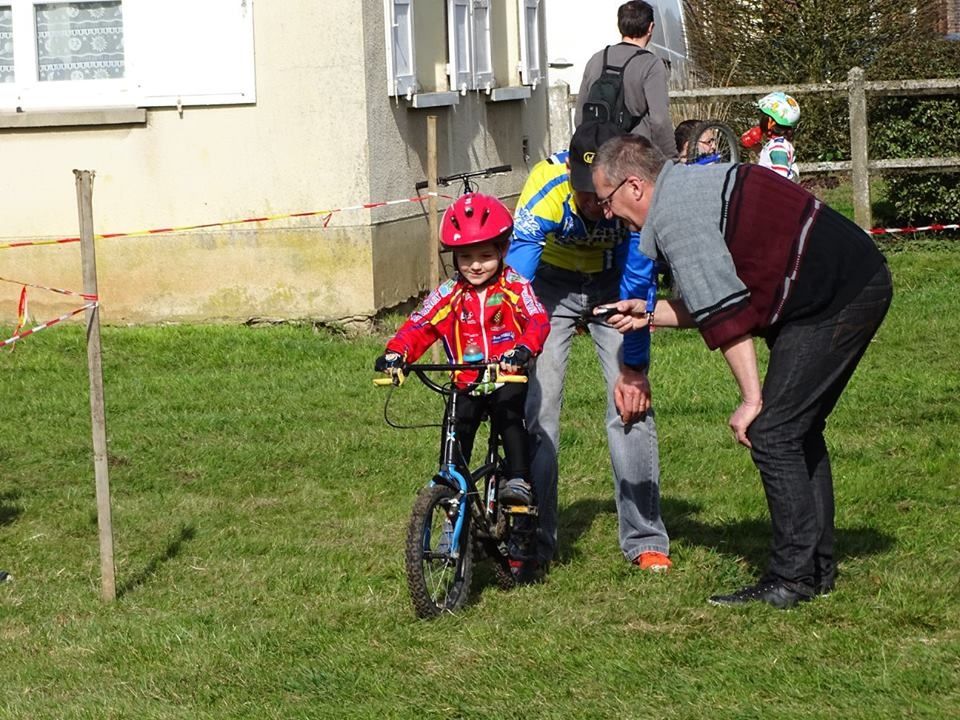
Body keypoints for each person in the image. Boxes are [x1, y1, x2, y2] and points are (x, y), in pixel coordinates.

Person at [591, 135, 893, 609]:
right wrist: (647, 316)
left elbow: (726, 313)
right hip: (841, 286)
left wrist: (752, 400)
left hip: (841, 295)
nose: (606, 212)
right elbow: (718, 294)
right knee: (796, 429)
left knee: (773, 432)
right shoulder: (687, 189)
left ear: (634, 186)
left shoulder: (675, 216)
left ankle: (791, 579)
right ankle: (815, 570)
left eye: (606, 200)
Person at [505, 122, 671, 574]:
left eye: (602, 198)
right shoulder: (546, 184)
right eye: (586, 196)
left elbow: (637, 280)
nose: (597, 207)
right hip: (549, 286)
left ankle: (645, 538)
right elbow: (517, 279)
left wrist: (632, 365)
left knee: (630, 405)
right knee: (538, 408)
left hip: (613, 283)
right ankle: (532, 542)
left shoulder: (632, 200)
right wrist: (511, 339)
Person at [375, 193, 550, 507]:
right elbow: (421, 323)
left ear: (503, 249)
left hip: (505, 376)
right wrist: (397, 353)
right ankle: (450, 493)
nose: (476, 265)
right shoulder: (450, 293)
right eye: (466, 257)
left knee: (510, 418)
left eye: (485, 255)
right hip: (465, 380)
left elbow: (537, 319)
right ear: (454, 257)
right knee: (456, 429)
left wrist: (522, 350)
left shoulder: (515, 287)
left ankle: (519, 479)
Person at [575, 1, 677, 160]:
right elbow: (659, 120)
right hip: (635, 157)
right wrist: (671, 158)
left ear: (619, 25)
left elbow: (580, 115)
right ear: (650, 27)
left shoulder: (597, 59)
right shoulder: (651, 64)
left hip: (600, 157)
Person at [740, 91, 801, 182]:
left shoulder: (779, 148)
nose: (759, 120)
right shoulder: (778, 144)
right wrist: (758, 149)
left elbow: (781, 179)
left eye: (762, 117)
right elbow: (769, 163)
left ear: (770, 122)